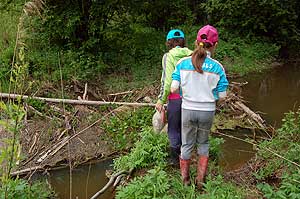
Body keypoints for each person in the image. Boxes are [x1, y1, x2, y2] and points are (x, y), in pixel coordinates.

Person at [170, 25, 229, 188]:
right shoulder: (218, 67)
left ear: (196, 42)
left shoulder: (182, 63)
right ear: (215, 45)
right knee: (203, 143)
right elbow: (223, 95)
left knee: (187, 144)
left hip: (188, 109)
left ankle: (185, 181)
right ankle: (201, 181)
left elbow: (173, 87)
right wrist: (214, 96)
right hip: (207, 111)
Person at [155, 29, 193, 166]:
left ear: (169, 42)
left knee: (173, 128)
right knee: (186, 127)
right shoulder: (192, 55)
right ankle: (186, 157)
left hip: (175, 97)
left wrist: (161, 99)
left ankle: (174, 160)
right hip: (191, 98)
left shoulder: (168, 56)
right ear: (183, 41)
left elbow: (167, 81)